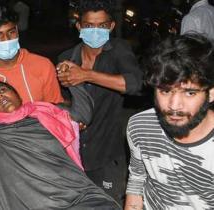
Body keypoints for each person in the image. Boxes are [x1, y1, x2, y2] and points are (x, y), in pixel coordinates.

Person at [0, 81, 120, 209]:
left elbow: (82, 115)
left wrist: (73, 83)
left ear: (17, 94)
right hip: (29, 203)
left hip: (73, 194)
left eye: (2, 90)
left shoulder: (45, 112)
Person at [57, 0, 144, 205]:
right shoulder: (66, 58)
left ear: (111, 26)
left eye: (102, 25)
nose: (95, 30)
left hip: (106, 153)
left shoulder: (118, 51)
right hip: (73, 153)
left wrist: (86, 75)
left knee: (107, 204)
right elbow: (60, 100)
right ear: (79, 26)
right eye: (89, 25)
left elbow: (136, 84)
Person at [125, 33, 214, 209]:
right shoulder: (139, 126)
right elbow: (137, 180)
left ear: (211, 93)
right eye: (165, 91)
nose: (174, 106)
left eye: (189, 93)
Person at [0, 3, 63, 104]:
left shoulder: (42, 66)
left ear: (17, 31)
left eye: (11, 32)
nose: (6, 39)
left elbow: (56, 110)